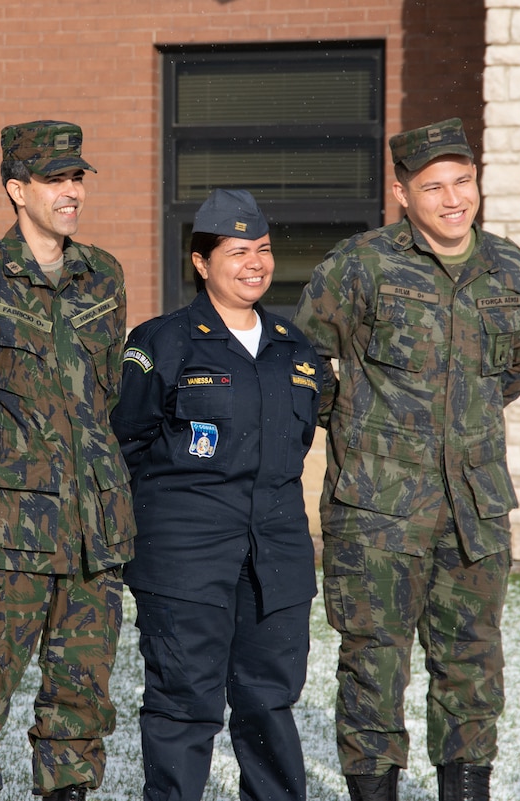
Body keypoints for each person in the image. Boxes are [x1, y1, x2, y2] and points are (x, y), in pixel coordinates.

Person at [292, 118, 520, 801]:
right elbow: (300, 357)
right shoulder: (361, 265)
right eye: (433, 186)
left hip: (474, 510)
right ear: (403, 193)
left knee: (473, 669)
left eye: (463, 180)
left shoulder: (510, 269)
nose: (453, 198)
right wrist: (353, 419)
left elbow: (511, 373)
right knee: (374, 669)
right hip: (378, 515)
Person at [0, 120, 135, 801]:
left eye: (77, 176)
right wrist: (7, 471)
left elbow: (104, 396)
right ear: (17, 189)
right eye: (54, 179)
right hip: (2, 535)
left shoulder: (103, 274)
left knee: (81, 698)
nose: (71, 190)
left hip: (92, 533)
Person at [110, 189, 330, 801]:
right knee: (185, 704)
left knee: (270, 701)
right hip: (185, 558)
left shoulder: (295, 347)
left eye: (262, 249)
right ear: (202, 263)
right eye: (238, 252)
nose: (255, 263)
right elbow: (127, 440)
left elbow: (305, 435)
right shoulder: (162, 343)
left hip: (276, 555)